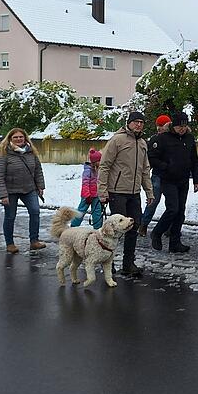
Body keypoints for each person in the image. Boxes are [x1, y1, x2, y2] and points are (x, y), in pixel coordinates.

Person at [98, 111, 154, 276]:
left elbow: (145, 170)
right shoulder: (117, 140)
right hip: (117, 191)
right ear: (128, 123)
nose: (138, 125)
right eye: (135, 121)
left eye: (141, 122)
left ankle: (128, 263)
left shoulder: (143, 143)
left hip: (134, 192)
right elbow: (104, 165)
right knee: (115, 230)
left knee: (134, 226)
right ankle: (108, 263)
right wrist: (102, 191)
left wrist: (149, 192)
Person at [148, 112, 198, 253]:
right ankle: (157, 232)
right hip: (168, 179)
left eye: (184, 126)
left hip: (183, 180)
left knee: (181, 211)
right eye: (179, 126)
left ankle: (175, 242)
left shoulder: (189, 138)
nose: (182, 129)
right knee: (173, 208)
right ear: (173, 125)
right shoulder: (163, 138)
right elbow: (152, 157)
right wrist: (165, 166)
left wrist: (197, 179)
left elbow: (194, 159)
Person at [0, 128, 46, 254]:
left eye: (21, 137)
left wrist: (40, 186)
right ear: (10, 139)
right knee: (10, 216)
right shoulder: (3, 154)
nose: (18, 139)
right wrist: (3, 195)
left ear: (25, 138)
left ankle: (34, 241)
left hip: (29, 188)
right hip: (10, 191)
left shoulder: (31, 152)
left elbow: (38, 170)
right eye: (15, 137)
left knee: (35, 212)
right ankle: (10, 243)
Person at [138, 114, 172, 237]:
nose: (159, 128)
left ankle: (169, 227)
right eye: (158, 125)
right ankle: (143, 224)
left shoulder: (174, 139)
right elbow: (150, 158)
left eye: (162, 125)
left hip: (171, 177)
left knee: (172, 204)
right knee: (152, 201)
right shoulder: (154, 140)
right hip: (158, 175)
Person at [70, 148, 103, 229]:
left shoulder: (98, 170)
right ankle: (73, 227)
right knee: (81, 211)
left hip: (96, 195)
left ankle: (98, 228)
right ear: (95, 161)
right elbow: (85, 183)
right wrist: (87, 195)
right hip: (87, 196)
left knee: (97, 212)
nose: (101, 162)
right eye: (100, 161)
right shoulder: (88, 170)